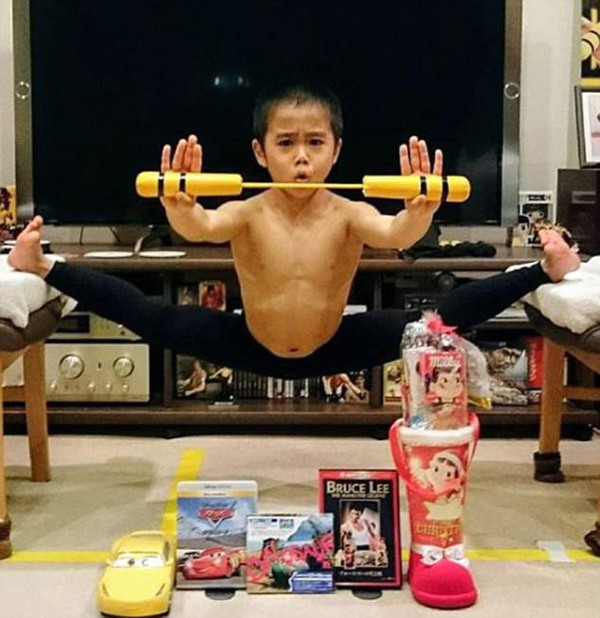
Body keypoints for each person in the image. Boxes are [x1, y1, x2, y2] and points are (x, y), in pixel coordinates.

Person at [7, 83, 581, 380]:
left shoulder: (348, 212)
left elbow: (397, 233)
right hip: (247, 341)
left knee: (438, 321)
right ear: (261, 153)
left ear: (336, 151)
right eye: (286, 143)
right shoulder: (250, 210)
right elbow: (200, 226)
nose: (301, 157)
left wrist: (421, 206)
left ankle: (541, 268)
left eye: (314, 143)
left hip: (336, 344)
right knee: (151, 315)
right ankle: (45, 264)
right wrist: (179, 203)